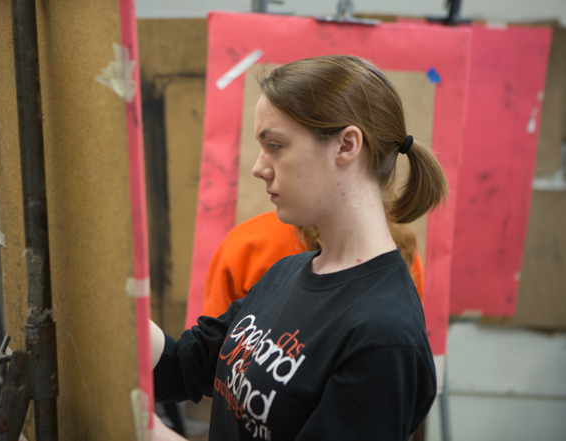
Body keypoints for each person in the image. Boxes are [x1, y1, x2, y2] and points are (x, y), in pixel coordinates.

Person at [150, 55, 447, 440]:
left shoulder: (385, 337)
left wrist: (149, 434)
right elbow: (179, 367)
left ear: (346, 145)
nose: (259, 167)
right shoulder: (285, 274)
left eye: (275, 145)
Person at [202, 212, 425, 320]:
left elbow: (216, 355)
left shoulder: (248, 244)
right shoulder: (399, 254)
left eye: (276, 146)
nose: (259, 168)